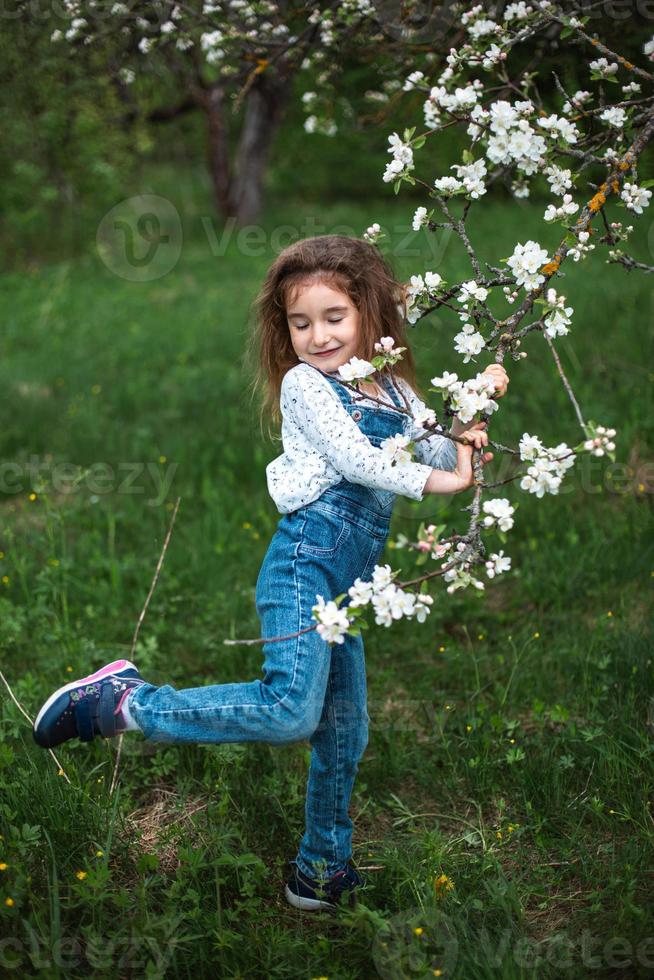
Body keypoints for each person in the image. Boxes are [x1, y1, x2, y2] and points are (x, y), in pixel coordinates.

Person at [32, 234, 508, 912]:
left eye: (334, 318)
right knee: (290, 710)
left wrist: (473, 410)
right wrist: (450, 481)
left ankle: (321, 869)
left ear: (371, 313)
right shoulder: (306, 387)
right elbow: (364, 463)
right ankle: (122, 704)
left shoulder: (395, 386)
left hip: (347, 587)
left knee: (345, 729)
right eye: (301, 321)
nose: (317, 335)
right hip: (303, 567)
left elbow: (431, 442)